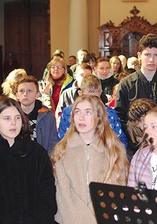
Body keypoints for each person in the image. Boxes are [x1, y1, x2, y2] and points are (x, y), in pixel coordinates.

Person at [0, 97, 57, 223]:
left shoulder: (37, 154)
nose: (13, 123)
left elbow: (47, 196)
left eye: (17, 117)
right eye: (7, 118)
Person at [52, 94, 129, 224]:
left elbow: (115, 191)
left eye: (88, 112)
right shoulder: (62, 150)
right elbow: (63, 195)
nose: (81, 117)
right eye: (77, 112)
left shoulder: (114, 150)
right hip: (69, 219)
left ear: (99, 116)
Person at [115, 34, 157, 149]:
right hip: (134, 146)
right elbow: (120, 116)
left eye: (156, 55)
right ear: (139, 55)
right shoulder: (126, 84)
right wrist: (135, 135)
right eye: (147, 55)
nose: (151, 59)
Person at [57, 74, 127, 148]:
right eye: (87, 98)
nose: (91, 102)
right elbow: (61, 141)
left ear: (100, 93)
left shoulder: (110, 114)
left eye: (95, 98)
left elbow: (121, 142)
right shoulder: (69, 113)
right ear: (80, 93)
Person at [16, 75, 58, 155]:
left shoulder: (48, 117)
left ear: (37, 94)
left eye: (30, 91)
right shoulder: (11, 117)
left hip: (40, 162)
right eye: (21, 91)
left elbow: (52, 145)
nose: (25, 94)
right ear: (17, 95)